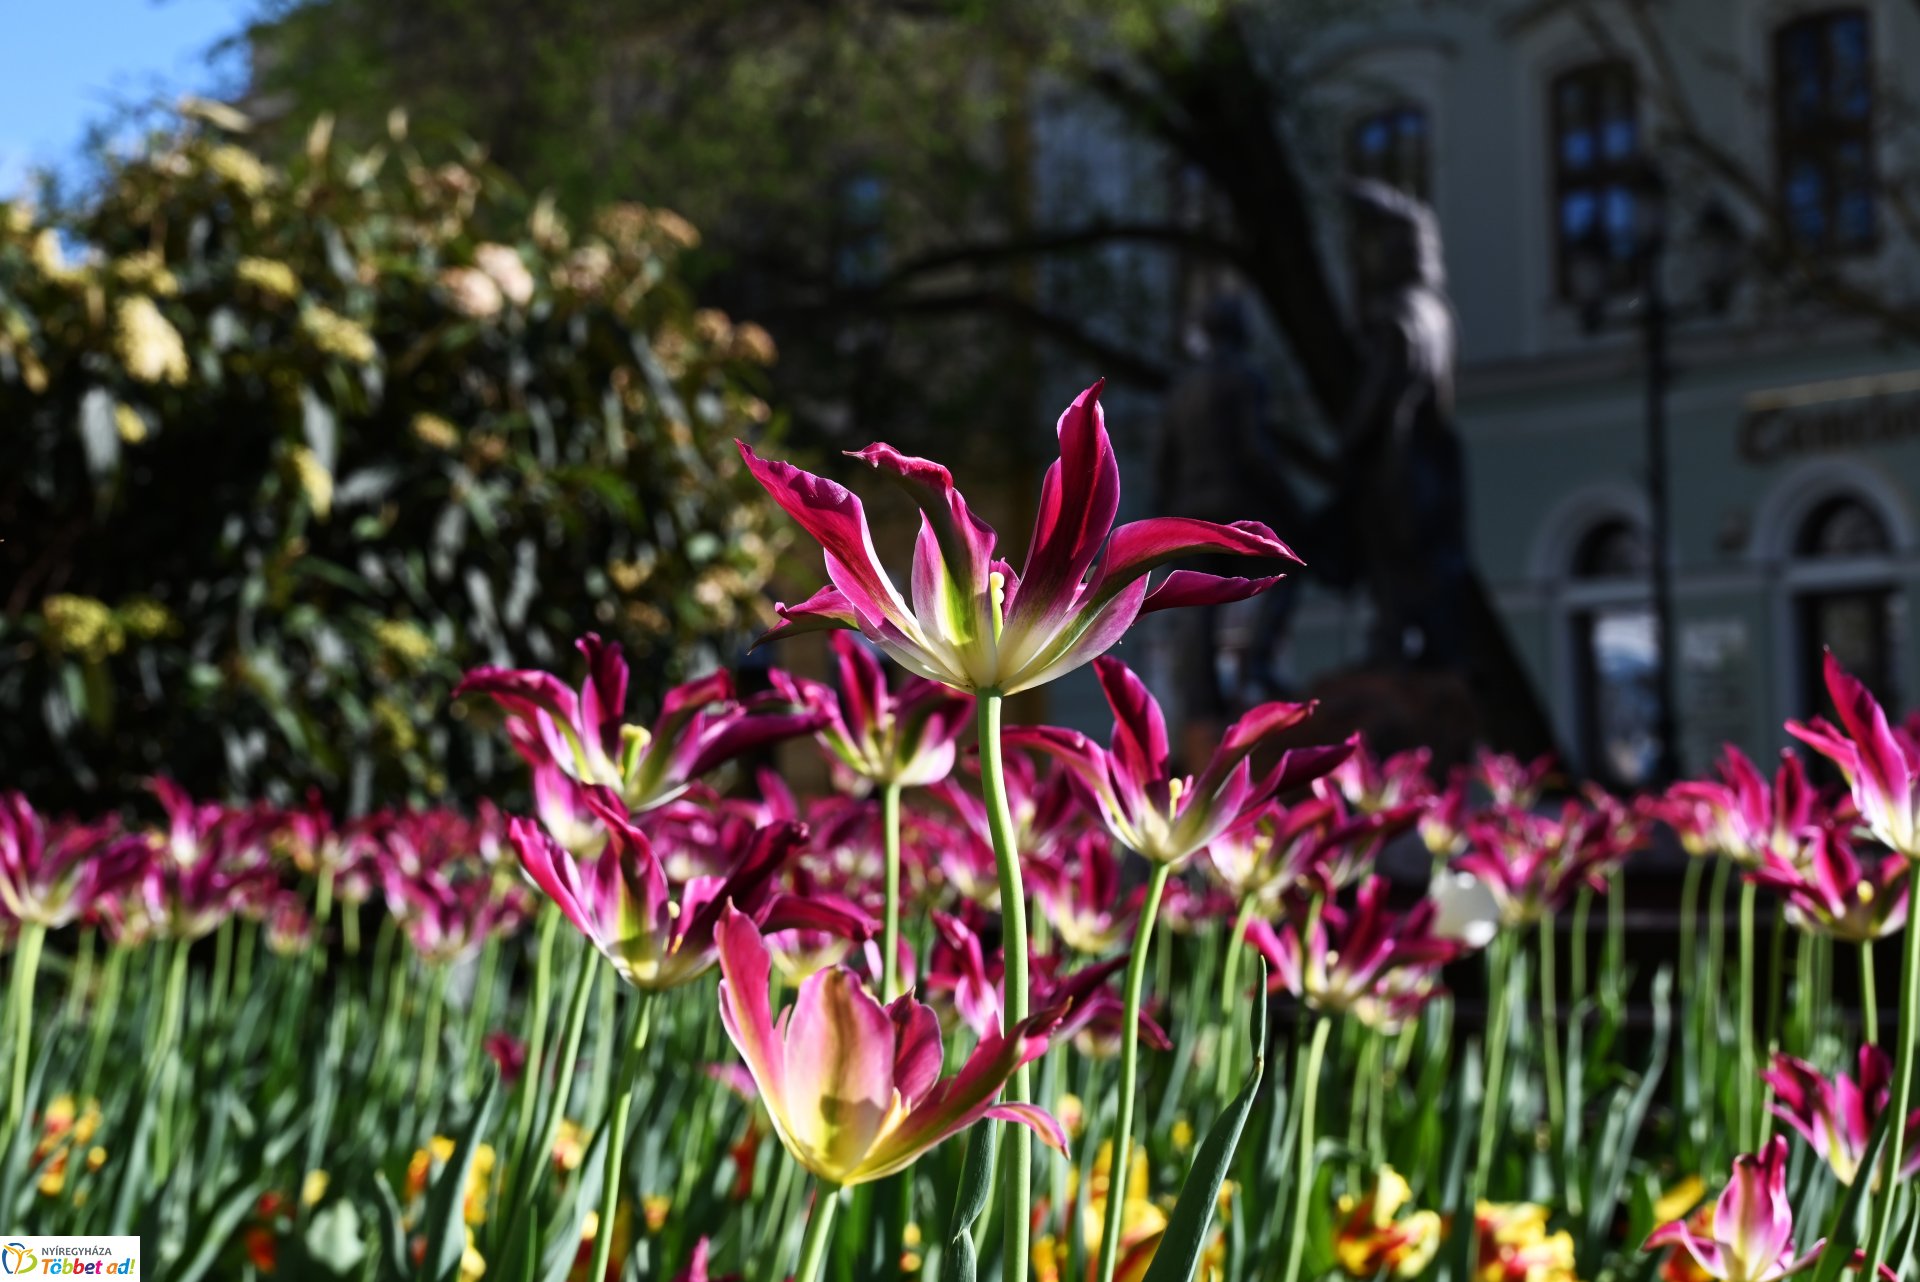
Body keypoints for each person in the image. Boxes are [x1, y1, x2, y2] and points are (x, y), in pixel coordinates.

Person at [1155, 294, 1304, 729]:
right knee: (1291, 567)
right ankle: (1256, 666)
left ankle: (1200, 695)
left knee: (1198, 598)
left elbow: (1165, 461)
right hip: (1236, 507)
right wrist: (1289, 504)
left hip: (1189, 510)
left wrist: (1166, 520)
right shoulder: (1245, 378)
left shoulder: (1180, 388)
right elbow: (1255, 450)